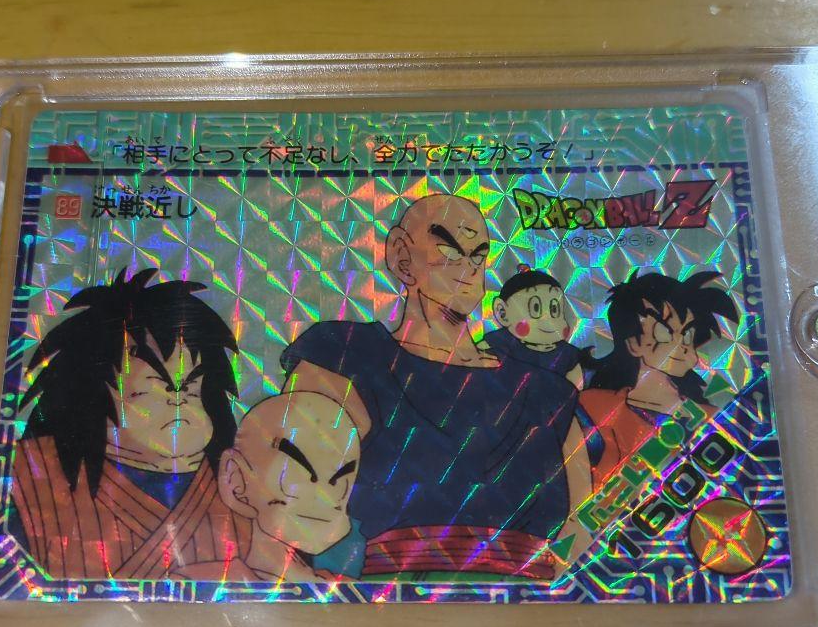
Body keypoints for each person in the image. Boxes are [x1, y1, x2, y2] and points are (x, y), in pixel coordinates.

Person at [280, 193, 594, 581]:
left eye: (478, 256)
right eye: (448, 251)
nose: (467, 269)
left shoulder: (545, 390)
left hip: (528, 593)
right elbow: (286, 487)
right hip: (391, 592)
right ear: (401, 256)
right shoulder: (347, 358)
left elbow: (585, 520)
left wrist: (551, 588)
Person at [8, 268, 246, 581]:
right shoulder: (33, 476)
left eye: (191, 386)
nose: (178, 398)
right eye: (154, 387)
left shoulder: (245, 482)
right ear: (92, 386)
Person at [579, 270, 739, 486]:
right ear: (633, 343)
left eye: (687, 333)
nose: (681, 344)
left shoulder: (707, 416)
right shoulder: (595, 406)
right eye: (665, 333)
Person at [216, 393, 361, 582]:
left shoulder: (344, 589)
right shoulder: (204, 582)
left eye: (338, 481)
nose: (322, 494)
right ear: (235, 478)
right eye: (296, 473)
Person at [484, 264, 584, 388]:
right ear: (502, 312)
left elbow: (577, 388)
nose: (547, 320)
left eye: (554, 309)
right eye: (535, 308)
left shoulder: (567, 354)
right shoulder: (500, 342)